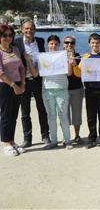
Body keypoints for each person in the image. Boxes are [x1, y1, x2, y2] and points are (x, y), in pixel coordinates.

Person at [73, 33, 100, 148]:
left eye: (97, 42)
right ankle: (92, 138)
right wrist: (74, 65)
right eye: (92, 42)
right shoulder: (85, 57)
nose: (95, 44)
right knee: (91, 116)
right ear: (89, 44)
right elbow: (78, 74)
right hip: (90, 90)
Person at [13, 20, 50, 149]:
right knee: (25, 111)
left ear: (35, 29)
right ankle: (27, 139)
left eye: (31, 28)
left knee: (42, 109)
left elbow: (44, 59)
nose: (29, 31)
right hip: (23, 81)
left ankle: (45, 136)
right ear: (22, 30)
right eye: (26, 29)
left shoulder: (40, 41)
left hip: (38, 80)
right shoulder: (17, 42)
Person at [40, 35, 73, 150]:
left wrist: (69, 60)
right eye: (51, 44)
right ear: (47, 45)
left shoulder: (63, 56)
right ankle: (53, 141)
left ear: (59, 45)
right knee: (51, 116)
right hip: (47, 90)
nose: (53, 46)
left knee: (63, 116)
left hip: (62, 89)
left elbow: (69, 73)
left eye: (55, 44)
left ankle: (67, 140)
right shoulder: (42, 57)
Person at [0, 24, 26, 156]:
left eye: (10, 35)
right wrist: (14, 86)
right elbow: (1, 73)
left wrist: (22, 83)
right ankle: (5, 143)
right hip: (5, 86)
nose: (8, 38)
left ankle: (12, 140)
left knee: (14, 115)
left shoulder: (15, 49)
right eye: (5, 35)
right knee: (5, 115)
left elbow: (21, 67)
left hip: (17, 83)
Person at [64, 35, 85, 146]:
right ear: (63, 44)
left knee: (77, 113)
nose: (69, 45)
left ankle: (77, 135)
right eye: (67, 43)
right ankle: (66, 136)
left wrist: (74, 62)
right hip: (63, 89)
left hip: (77, 88)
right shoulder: (59, 56)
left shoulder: (79, 56)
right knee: (64, 114)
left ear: (75, 44)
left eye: (71, 43)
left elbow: (81, 73)